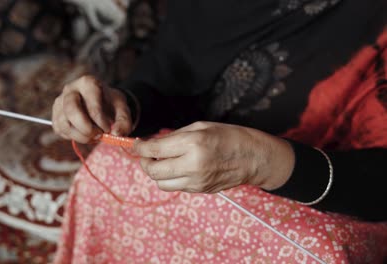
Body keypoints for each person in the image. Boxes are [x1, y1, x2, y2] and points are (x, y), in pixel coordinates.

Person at [52, 0, 387, 263]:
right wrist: (121, 104)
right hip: (204, 152)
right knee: (110, 167)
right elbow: (170, 71)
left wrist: (265, 162)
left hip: (345, 198)